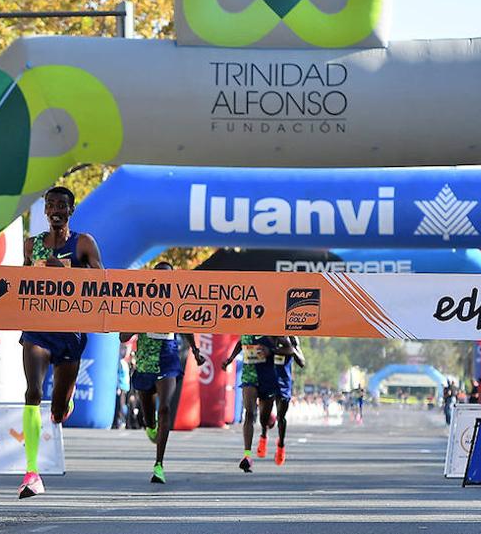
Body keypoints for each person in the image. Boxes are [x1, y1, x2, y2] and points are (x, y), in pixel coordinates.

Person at [17, 186, 102, 499]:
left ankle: (64, 404)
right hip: (38, 328)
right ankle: (31, 473)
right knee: (33, 391)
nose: (56, 210)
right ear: (44, 211)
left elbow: (101, 281)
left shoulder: (83, 242)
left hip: (70, 331)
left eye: (62, 206)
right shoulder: (31, 245)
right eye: (51, 204)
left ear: (71, 210)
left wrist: (66, 273)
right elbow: (21, 282)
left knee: (56, 411)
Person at [120, 263, 203, 484]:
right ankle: (150, 426)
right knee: (149, 417)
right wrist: (141, 319)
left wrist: (195, 350)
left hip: (168, 360)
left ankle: (159, 465)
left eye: (167, 277)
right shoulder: (141, 303)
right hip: (145, 364)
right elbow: (122, 337)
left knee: (165, 407)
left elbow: (185, 327)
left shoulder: (177, 303)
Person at [223, 333, 299, 471]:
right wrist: (230, 359)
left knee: (264, 420)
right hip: (249, 375)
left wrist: (271, 351)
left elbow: (289, 350)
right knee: (250, 413)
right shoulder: (246, 330)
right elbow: (241, 343)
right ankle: (247, 455)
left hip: (267, 378)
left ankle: (270, 439)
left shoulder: (271, 330)